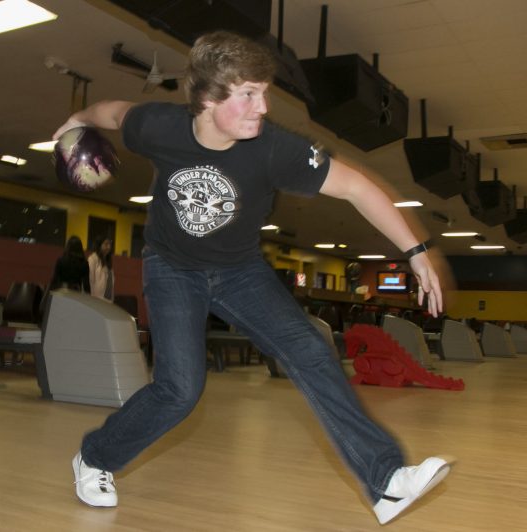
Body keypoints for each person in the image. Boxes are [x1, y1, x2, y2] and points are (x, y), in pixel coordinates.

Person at [54, 31, 452, 526]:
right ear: (206, 97)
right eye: (248, 94)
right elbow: (113, 113)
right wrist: (76, 118)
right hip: (172, 267)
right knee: (180, 390)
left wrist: (415, 251)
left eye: (264, 92)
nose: (261, 107)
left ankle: (386, 480)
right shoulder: (157, 127)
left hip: (240, 270)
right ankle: (95, 457)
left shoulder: (274, 149)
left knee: (309, 348)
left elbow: (355, 186)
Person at [87, 235, 115, 301]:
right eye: (106, 244)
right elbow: (90, 281)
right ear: (99, 245)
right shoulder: (93, 259)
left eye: (110, 244)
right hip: (96, 300)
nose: (109, 247)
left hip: (108, 301)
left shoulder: (108, 263)